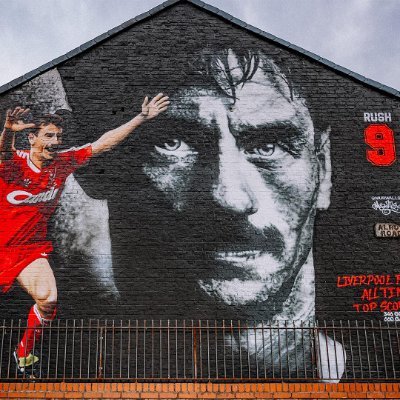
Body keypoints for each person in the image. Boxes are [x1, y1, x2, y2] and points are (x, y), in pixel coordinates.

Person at [0, 93, 169, 374]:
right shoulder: (14, 162)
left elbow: (102, 144)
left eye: (58, 136)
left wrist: (141, 117)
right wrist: (7, 131)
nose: (55, 142)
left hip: (29, 249)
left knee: (49, 299)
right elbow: (2, 153)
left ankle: (24, 353)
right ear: (32, 138)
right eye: (49, 135)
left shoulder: (63, 162)